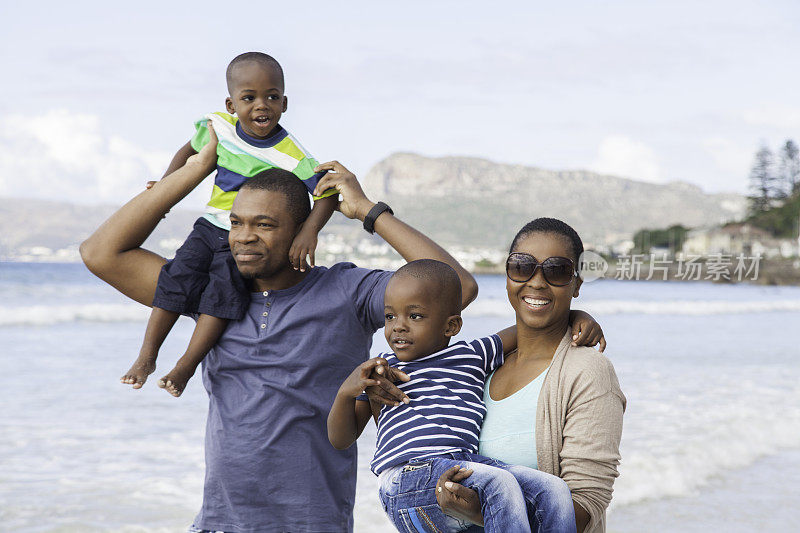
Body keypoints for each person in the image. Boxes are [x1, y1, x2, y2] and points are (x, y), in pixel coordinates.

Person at [121, 51, 338, 397]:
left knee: (219, 297)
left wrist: (309, 231)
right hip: (209, 227)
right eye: (248, 98)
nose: (261, 106)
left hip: (245, 241)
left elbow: (328, 193)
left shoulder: (292, 153)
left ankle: (185, 366)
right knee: (175, 281)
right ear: (231, 103)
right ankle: (147, 357)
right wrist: (166, 182)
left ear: (285, 102)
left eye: (272, 97)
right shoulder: (218, 127)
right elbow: (187, 151)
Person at [328, 259, 587, 532]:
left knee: (554, 490)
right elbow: (340, 439)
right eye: (390, 316)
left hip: (463, 468)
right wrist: (347, 391)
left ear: (451, 326)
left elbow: (530, 331)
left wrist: (574, 317)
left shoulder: (472, 355)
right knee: (501, 484)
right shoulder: (382, 368)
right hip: (406, 480)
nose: (398, 326)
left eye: (414, 316)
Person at [431, 218, 626, 533]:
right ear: (508, 277)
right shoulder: (478, 368)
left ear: (577, 284)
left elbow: (587, 506)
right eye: (522, 266)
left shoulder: (589, 373)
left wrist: (482, 511)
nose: (537, 282)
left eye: (557, 271)